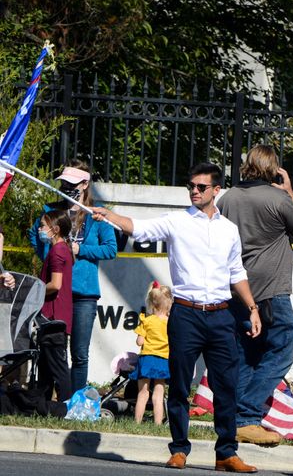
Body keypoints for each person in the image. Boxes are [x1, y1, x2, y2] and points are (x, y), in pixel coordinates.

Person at [92, 163, 262, 473]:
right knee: (180, 386)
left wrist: (252, 307)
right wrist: (109, 215)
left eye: (201, 187)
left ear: (216, 191)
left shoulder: (229, 229)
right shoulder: (176, 221)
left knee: (226, 387)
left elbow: (236, 272)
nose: (194, 191)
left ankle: (226, 453)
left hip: (222, 315)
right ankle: (179, 449)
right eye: (191, 186)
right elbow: (139, 228)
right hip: (185, 314)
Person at [217, 145, 293, 446]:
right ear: (274, 169)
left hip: (238, 289)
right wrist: (290, 191)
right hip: (272, 290)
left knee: (247, 354)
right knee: (282, 351)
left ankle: (238, 421)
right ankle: (247, 412)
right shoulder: (278, 198)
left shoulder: (228, 197)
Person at [29, 160, 118, 392]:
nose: (66, 187)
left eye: (72, 183)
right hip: (56, 290)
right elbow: (34, 236)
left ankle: (75, 403)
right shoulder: (51, 211)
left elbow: (111, 249)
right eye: (64, 183)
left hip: (83, 294)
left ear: (85, 184)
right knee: (53, 347)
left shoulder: (96, 215)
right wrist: (48, 253)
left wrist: (81, 250)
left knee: (79, 352)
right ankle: (47, 400)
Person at [36, 210, 74, 402]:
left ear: (55, 229)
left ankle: (66, 405)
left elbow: (55, 284)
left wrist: (36, 291)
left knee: (57, 366)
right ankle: (42, 406)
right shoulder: (61, 249)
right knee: (45, 366)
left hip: (54, 317)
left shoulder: (58, 250)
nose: (40, 229)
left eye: (43, 225)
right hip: (53, 317)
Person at [132, 281, 172, 425]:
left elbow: (139, 342)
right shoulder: (170, 323)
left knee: (143, 393)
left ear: (151, 303)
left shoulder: (147, 321)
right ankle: (157, 424)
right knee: (158, 394)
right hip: (163, 360)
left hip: (147, 359)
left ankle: (137, 422)